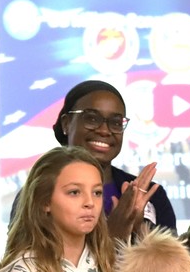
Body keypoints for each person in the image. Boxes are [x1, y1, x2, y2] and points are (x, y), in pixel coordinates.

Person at [52, 80, 177, 240]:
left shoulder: (152, 196)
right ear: (66, 124)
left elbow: (172, 264)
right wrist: (114, 236)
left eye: (116, 122)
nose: (104, 130)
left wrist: (139, 231)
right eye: (91, 118)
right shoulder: (41, 193)